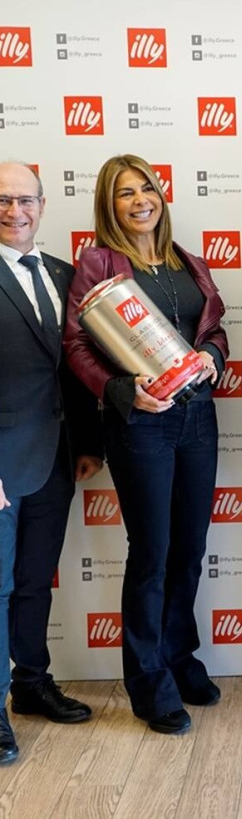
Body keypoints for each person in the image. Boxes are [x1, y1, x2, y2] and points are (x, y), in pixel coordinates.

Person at [64, 154, 229, 735]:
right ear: (108, 206)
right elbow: (77, 344)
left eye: (147, 189)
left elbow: (213, 330)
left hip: (197, 418)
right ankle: (148, 681)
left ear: (161, 195)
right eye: (125, 193)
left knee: (189, 549)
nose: (140, 201)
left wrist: (211, 355)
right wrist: (120, 391)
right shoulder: (98, 263)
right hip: (141, 423)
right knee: (153, 553)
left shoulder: (188, 261)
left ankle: (180, 659)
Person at [0, 161, 103, 763]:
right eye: (3, 201)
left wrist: (88, 444)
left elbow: (75, 368)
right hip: (3, 464)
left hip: (57, 459)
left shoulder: (65, 273)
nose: (15, 212)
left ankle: (32, 684)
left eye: (25, 201)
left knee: (34, 581)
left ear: (42, 205)